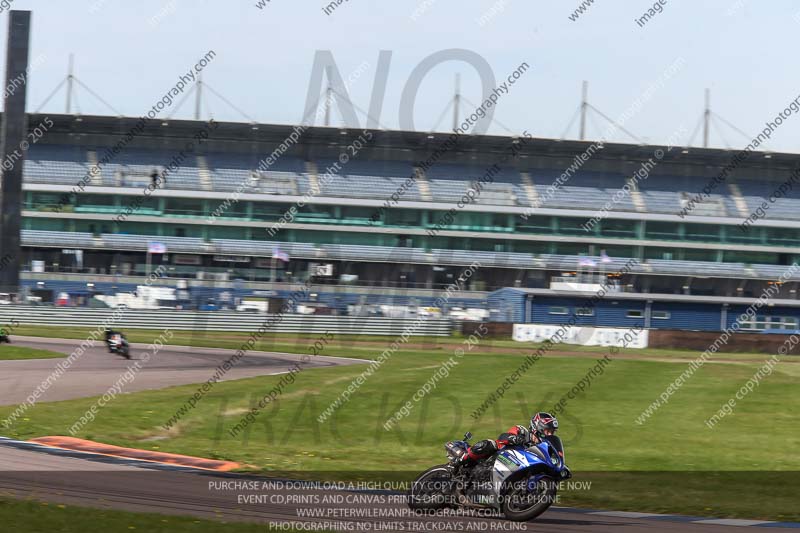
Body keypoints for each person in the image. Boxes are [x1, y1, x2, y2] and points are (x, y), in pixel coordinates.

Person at [460, 412, 559, 466]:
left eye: (552, 432)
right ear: (538, 428)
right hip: (497, 458)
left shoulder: (542, 448)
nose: (550, 434)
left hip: (514, 468)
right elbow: (503, 437)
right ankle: (462, 458)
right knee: (489, 444)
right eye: (548, 431)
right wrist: (515, 438)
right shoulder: (522, 431)